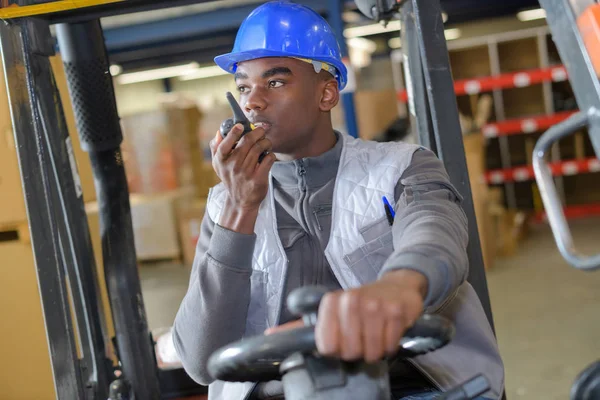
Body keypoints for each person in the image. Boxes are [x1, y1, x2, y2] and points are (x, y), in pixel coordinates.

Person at [173, 2, 504, 399]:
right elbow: (199, 358)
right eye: (244, 86)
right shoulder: (223, 206)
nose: (253, 102)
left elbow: (436, 235)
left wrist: (399, 287)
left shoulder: (400, 167)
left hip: (404, 387)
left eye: (275, 83)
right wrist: (239, 209)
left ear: (327, 93)